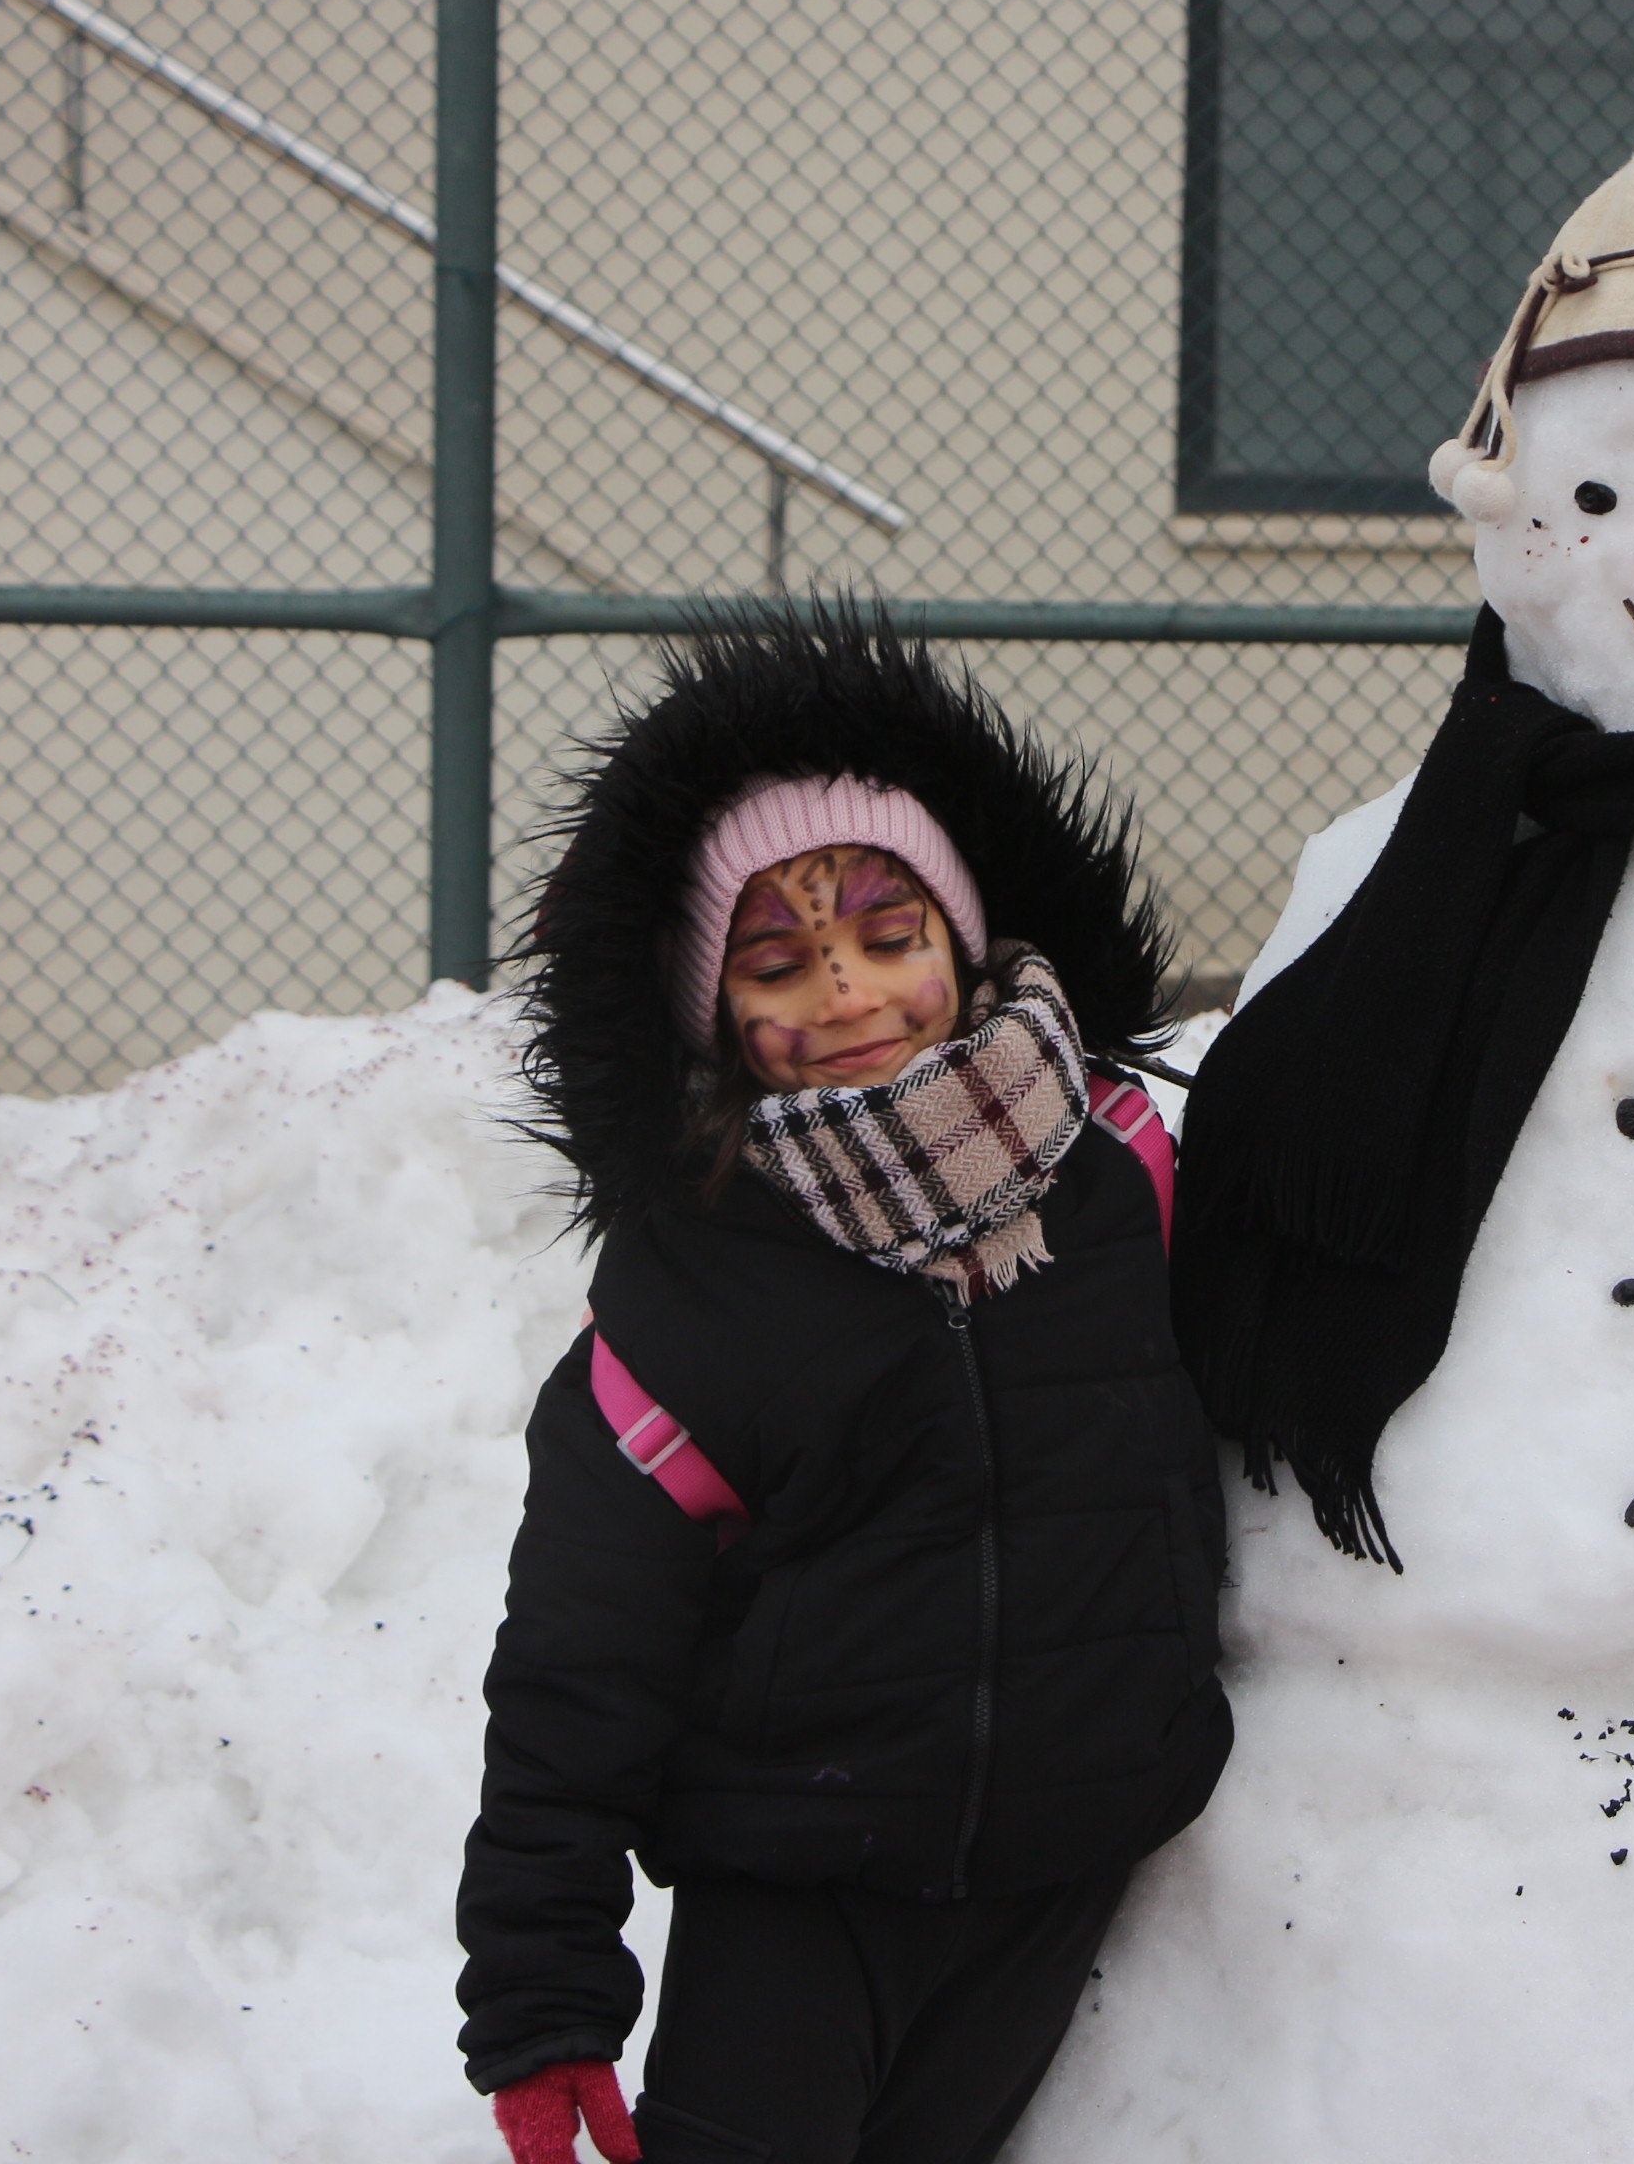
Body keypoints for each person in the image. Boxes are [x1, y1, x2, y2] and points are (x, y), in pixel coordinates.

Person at [458, 610, 1230, 2164]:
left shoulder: (1126, 1183)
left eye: (890, 937)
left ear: (960, 936)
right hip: (799, 1881)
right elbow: (575, 1669)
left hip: (1070, 1860)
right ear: (713, 1010)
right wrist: (544, 1995)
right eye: (782, 964)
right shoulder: (697, 1294)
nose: (850, 996)